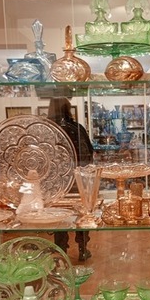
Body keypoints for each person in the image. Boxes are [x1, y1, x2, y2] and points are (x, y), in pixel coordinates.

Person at [48, 97, 94, 261]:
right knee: (81, 213)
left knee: (59, 216)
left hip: (57, 181)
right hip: (77, 178)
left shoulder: (49, 130)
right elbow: (89, 151)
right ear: (68, 109)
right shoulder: (77, 128)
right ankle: (83, 249)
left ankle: (62, 252)